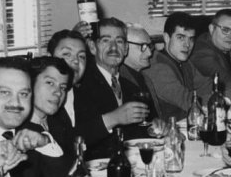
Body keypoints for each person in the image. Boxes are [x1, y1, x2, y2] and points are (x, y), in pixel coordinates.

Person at [74, 17, 150, 159]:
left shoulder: (132, 87)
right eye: (106, 40)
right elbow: (77, 136)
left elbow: (144, 128)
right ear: (92, 47)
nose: (114, 47)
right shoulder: (80, 86)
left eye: (119, 41)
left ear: (126, 48)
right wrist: (114, 118)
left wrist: (155, 127)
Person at [143, 12, 204, 121]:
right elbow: (187, 101)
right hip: (168, 132)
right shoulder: (157, 66)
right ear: (166, 37)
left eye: (191, 39)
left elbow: (207, 86)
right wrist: (218, 100)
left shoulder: (185, 62)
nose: (187, 45)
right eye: (181, 37)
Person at [27, 56, 76, 177]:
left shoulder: (58, 120)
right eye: (50, 83)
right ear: (29, 84)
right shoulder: (21, 131)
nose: (58, 92)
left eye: (63, 87)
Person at [120, 24, 162, 122]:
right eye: (142, 46)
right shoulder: (119, 79)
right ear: (125, 47)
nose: (149, 53)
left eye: (149, 46)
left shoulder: (145, 78)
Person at [46, 29, 88, 126]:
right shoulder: (40, 100)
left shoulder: (88, 99)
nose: (76, 61)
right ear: (49, 57)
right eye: (67, 54)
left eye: (81, 56)